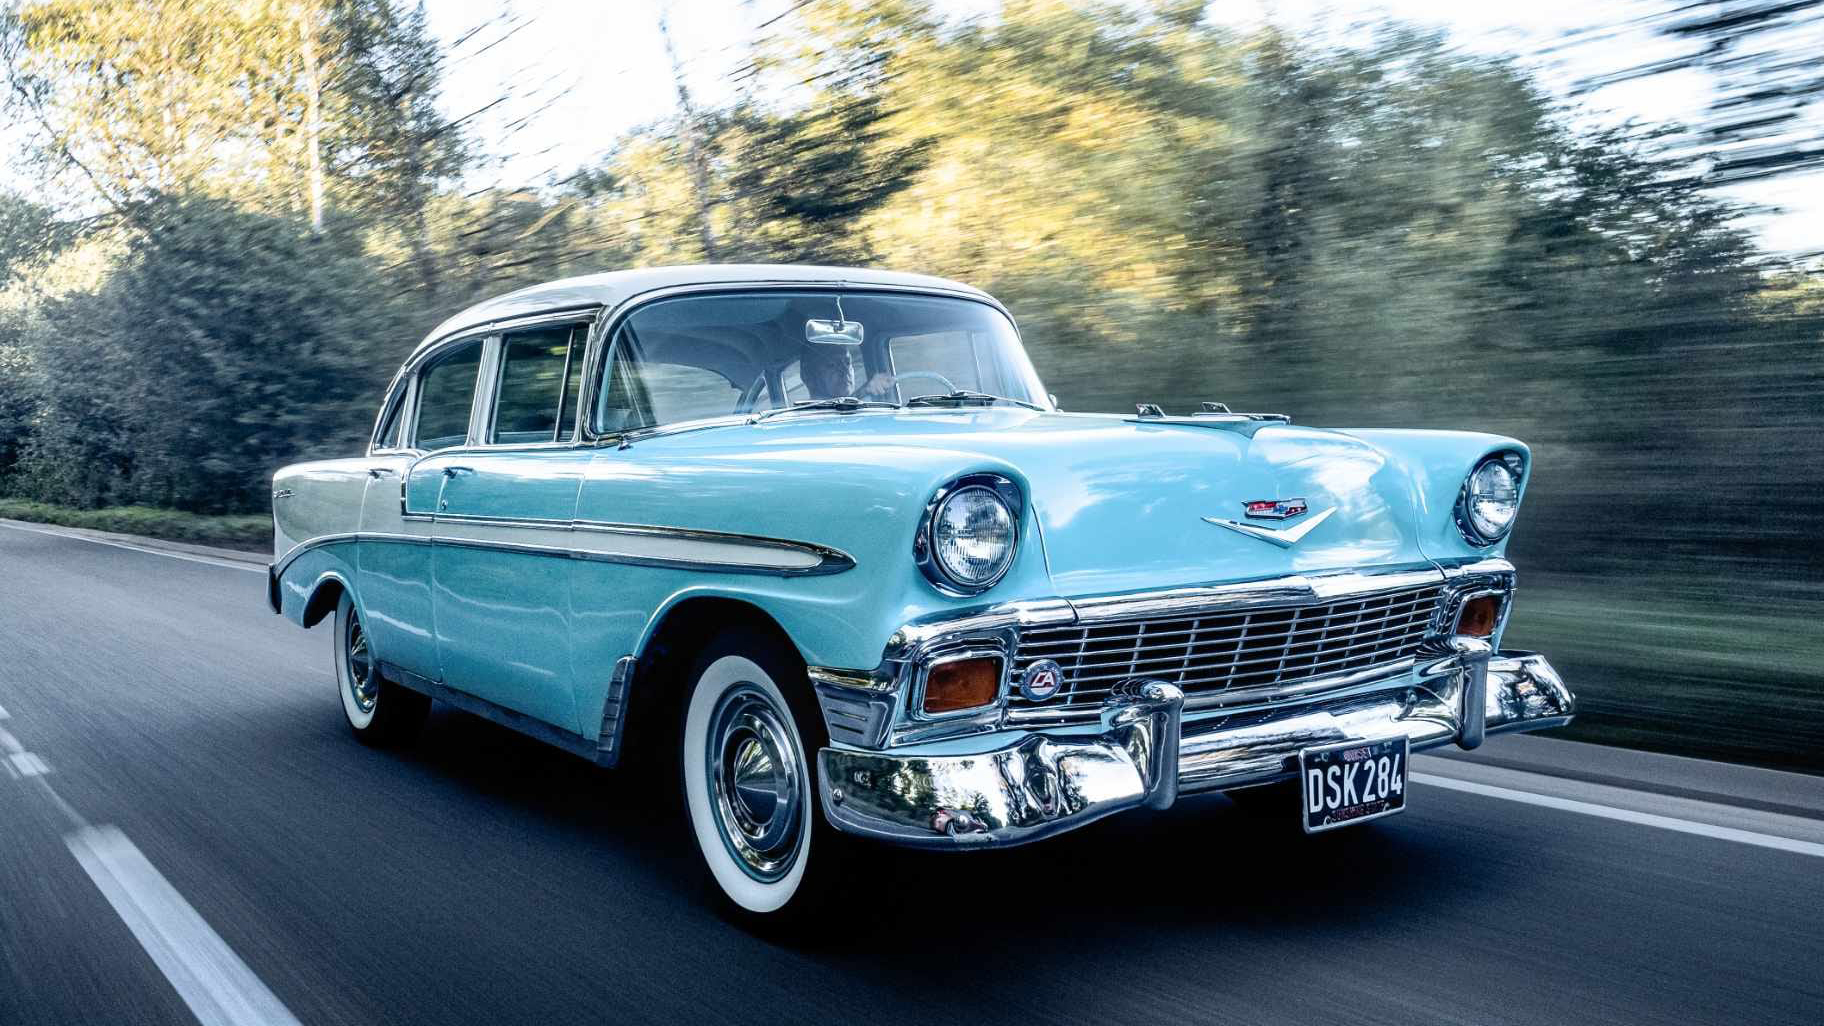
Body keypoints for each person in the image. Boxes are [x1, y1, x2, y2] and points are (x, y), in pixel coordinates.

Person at [799, 344, 895, 401]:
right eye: (832, 364)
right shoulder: (801, 420)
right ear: (808, 376)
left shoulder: (866, 411)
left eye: (848, 362)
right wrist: (864, 391)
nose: (845, 370)